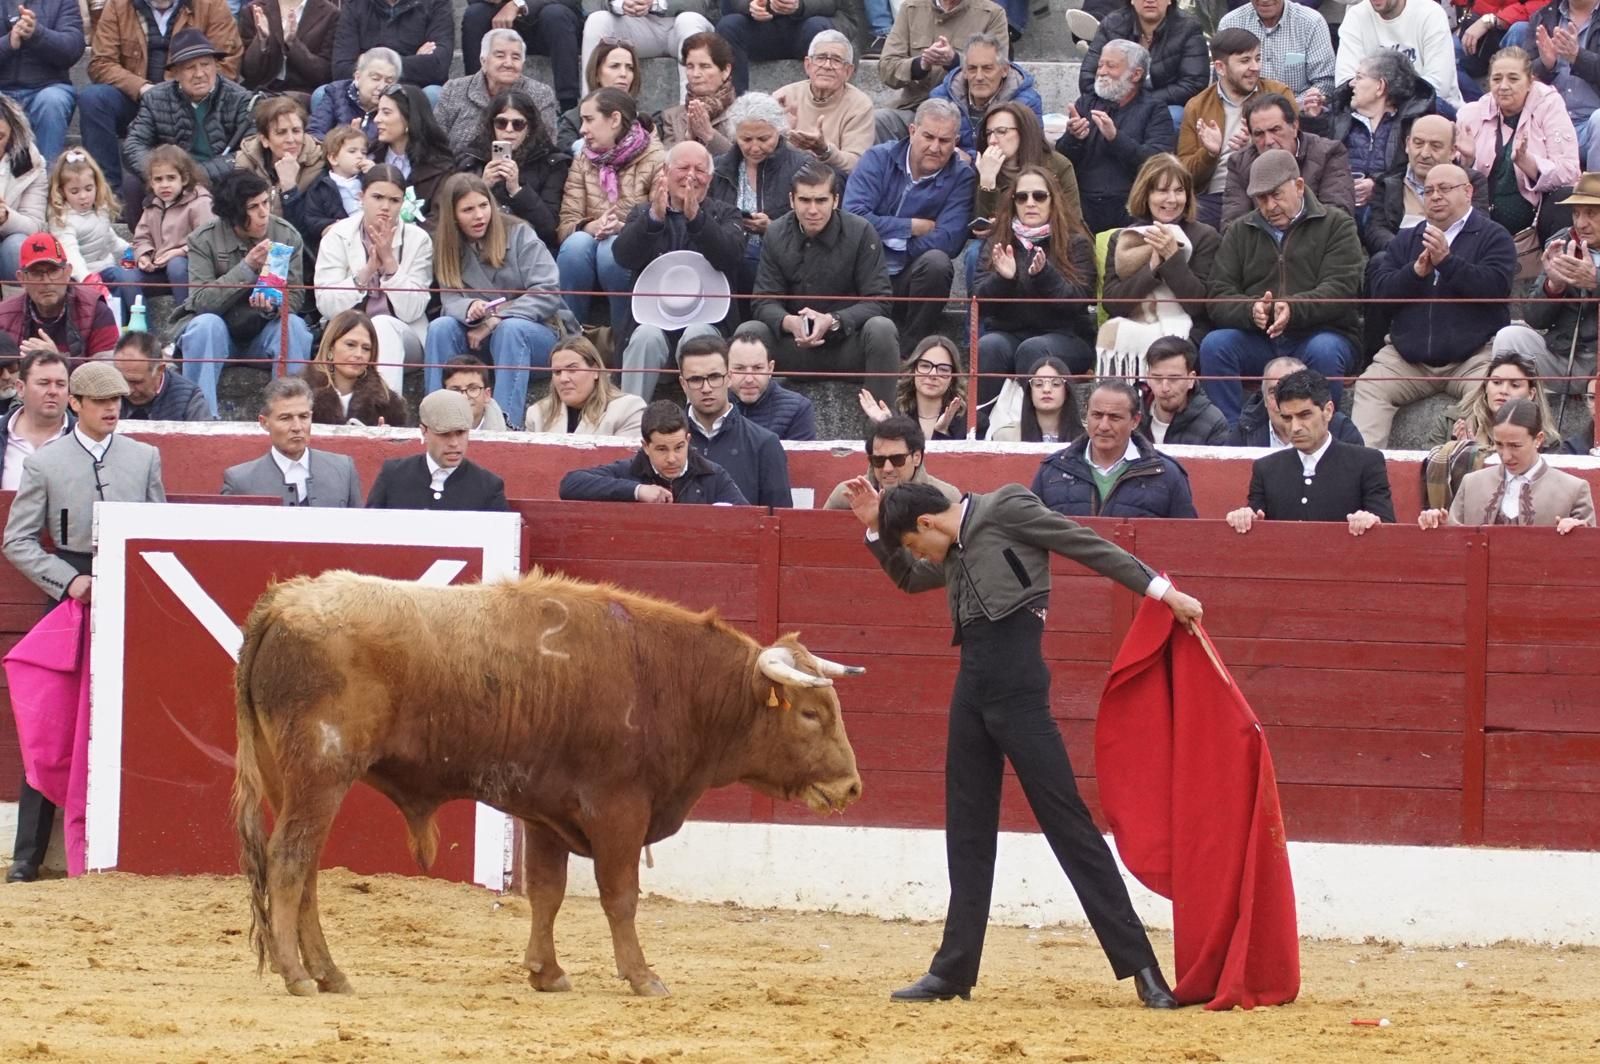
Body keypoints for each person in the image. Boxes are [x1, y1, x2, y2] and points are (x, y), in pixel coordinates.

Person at [843, 477, 1201, 1009]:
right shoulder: (949, 543)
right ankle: (954, 970)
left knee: (1069, 825)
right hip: (972, 689)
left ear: (928, 522)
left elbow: (1087, 544)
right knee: (966, 829)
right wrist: (875, 531)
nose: (920, 556)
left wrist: (1163, 592)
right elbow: (911, 581)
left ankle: (1143, 969)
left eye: (916, 543)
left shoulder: (1005, 507)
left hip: (1018, 691)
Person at [1, 361, 165, 884]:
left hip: (130, 594)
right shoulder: (47, 464)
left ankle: (139, 845)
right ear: (76, 404)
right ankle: (28, 856)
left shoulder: (144, 458)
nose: (112, 407)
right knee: (54, 726)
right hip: (72, 593)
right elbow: (17, 540)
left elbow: (158, 532)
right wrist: (68, 582)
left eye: (116, 399)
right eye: (99, 401)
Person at [1352, 163, 1519, 448]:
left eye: (1445, 189)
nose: (1435, 196)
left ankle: (1477, 478)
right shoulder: (1407, 239)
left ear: (1468, 192)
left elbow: (1496, 288)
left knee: (1494, 392)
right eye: (1428, 190)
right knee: (1369, 387)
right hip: (1407, 359)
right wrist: (1414, 274)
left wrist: (1448, 262)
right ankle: (1362, 476)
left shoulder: (1494, 236)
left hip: (1473, 358)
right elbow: (1379, 294)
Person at [1202, 150, 1366, 424]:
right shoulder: (1240, 231)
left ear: (1299, 186)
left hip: (1322, 335)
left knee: (1324, 351)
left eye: (1276, 194)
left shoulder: (1337, 225)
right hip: (1260, 339)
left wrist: (1292, 308)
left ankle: (1324, 432)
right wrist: (1251, 310)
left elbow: (1342, 288)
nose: (1269, 206)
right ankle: (1231, 434)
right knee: (1215, 346)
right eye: (1261, 198)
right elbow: (1218, 293)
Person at [751, 161, 901, 405]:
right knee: (749, 333)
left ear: (835, 200)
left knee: (882, 329)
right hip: (794, 346)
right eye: (805, 200)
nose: (812, 210)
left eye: (821, 200)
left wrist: (833, 321)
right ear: (791, 200)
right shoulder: (776, 233)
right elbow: (763, 300)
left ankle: (884, 429)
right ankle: (744, 429)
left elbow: (880, 300)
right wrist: (789, 323)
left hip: (846, 345)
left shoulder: (861, 231)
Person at [171, 170, 313, 413]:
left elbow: (297, 298)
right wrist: (246, 268)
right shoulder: (203, 239)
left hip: (264, 332)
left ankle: (292, 413)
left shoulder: (286, 235)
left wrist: (272, 306)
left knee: (294, 326)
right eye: (253, 207)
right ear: (234, 214)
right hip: (220, 332)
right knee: (204, 324)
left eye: (266, 202)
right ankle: (201, 420)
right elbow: (200, 301)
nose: (263, 213)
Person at [613, 140, 744, 398]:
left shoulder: (727, 214)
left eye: (700, 170)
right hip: (652, 317)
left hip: (709, 319)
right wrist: (653, 220)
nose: (691, 176)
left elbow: (729, 256)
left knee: (698, 335)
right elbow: (623, 256)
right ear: (665, 170)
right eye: (683, 167)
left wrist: (697, 219)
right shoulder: (643, 212)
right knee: (644, 337)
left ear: (711, 177)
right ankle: (629, 419)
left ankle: (702, 420)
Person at [427, 175, 562, 426]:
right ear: (454, 215)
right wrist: (469, 307)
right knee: (440, 327)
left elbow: (548, 290)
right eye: (468, 210)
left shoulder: (519, 233)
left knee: (509, 329)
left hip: (535, 336)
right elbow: (450, 298)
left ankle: (503, 425)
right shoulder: (448, 247)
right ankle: (436, 419)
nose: (479, 215)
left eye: (483, 205)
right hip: (479, 340)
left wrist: (496, 318)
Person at [845, 98, 975, 350]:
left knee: (937, 263)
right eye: (928, 136)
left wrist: (890, 244)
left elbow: (949, 240)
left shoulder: (961, 177)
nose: (935, 147)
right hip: (863, 270)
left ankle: (912, 349)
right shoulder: (877, 158)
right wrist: (911, 227)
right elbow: (853, 218)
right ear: (912, 131)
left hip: (909, 275)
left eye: (944, 140)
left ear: (956, 142)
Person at [975, 165, 1095, 418]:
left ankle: (1028, 428)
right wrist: (1003, 279)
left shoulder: (1076, 242)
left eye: (1039, 196)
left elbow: (1080, 300)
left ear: (1053, 201)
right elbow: (979, 304)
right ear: (1014, 202)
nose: (1030, 203)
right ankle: (981, 427)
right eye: (1022, 197)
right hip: (1009, 334)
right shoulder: (998, 241)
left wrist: (1044, 276)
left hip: (1067, 337)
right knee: (988, 346)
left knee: (1033, 350)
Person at [83, 0, 241, 189]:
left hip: (191, 98)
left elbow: (226, 62)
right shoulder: (118, 5)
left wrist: (179, 90)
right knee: (93, 99)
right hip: (136, 96)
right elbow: (100, 62)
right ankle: (110, 194)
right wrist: (142, 88)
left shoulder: (211, 5)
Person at [1226, 368, 1395, 534]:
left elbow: (1388, 529)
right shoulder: (1266, 469)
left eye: (1305, 415)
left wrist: (1372, 520)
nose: (1295, 427)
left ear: (1328, 411)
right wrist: (1245, 517)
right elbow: (1255, 522)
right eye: (1287, 418)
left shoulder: (1366, 462)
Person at [314, 165, 433, 393]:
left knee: (381, 325)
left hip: (405, 336)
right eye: (377, 197)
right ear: (361, 197)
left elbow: (412, 310)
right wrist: (366, 273)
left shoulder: (419, 240)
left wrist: (390, 266)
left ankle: (385, 412)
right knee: (359, 333)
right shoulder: (337, 235)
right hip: (347, 334)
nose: (385, 207)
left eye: (394, 200)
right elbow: (327, 305)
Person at [1098, 153, 1221, 374]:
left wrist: (1172, 259)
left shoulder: (1205, 236)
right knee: (1113, 330)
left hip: (1189, 328)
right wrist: (1152, 268)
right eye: (1162, 191)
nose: (1172, 199)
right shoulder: (1125, 238)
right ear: (1146, 194)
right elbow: (1113, 304)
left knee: (1174, 348)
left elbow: (1199, 306)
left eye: (1179, 190)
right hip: (1135, 323)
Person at [1299, 50, 1443, 234]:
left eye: (1359, 77)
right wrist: (1313, 120)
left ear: (1380, 86)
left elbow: (1412, 169)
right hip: (1340, 208)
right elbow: (1316, 160)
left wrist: (1377, 184)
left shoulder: (1411, 122)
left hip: (1389, 214)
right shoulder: (1338, 116)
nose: (1351, 83)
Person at [556, 87, 666, 329]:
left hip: (635, 249)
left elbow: (661, 224)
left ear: (614, 119)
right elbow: (565, 224)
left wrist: (621, 228)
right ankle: (572, 339)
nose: (582, 129)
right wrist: (589, 225)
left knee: (611, 250)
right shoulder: (584, 158)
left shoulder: (656, 158)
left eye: (588, 119)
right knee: (575, 245)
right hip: (588, 247)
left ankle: (622, 337)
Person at [120, 29, 255, 225]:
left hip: (220, 178)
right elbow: (133, 144)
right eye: (190, 67)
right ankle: (145, 246)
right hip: (171, 177)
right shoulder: (155, 98)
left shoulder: (240, 98)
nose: (200, 74)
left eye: (206, 65)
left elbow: (250, 149)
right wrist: (163, 174)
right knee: (132, 184)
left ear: (216, 66)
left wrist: (195, 176)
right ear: (175, 73)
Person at [1456, 46, 1581, 242]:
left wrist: (1529, 164)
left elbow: (1570, 172)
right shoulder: (1471, 113)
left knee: (1564, 197)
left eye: (1513, 79)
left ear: (1530, 81)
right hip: (1481, 217)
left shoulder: (1549, 106)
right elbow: (1451, 179)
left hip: (1536, 223)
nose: (1503, 86)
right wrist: (1468, 161)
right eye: (1497, 79)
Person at [1058, 39, 1178, 235]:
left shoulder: (1154, 108)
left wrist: (1116, 138)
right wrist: (1074, 138)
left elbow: (1158, 164)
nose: (1102, 71)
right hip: (1083, 204)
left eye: (1111, 66)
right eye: (1100, 65)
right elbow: (1063, 161)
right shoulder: (1087, 103)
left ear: (1136, 74)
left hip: (1130, 206)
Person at [1176, 29, 1294, 229]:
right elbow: (1184, 175)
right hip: (1217, 195)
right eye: (1245, 61)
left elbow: (1298, 146)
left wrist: (1255, 146)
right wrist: (1210, 153)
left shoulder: (1278, 94)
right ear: (1220, 67)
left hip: (1270, 187)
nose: (1255, 67)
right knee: (1190, 227)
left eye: (1258, 58)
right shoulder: (1197, 106)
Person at [1494, 174, 1600, 395]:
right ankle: (1513, 424)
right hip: (1564, 355)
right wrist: (1553, 287)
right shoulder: (1562, 242)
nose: (1581, 223)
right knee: (1509, 337)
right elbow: (1534, 318)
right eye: (1576, 213)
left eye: (1591, 214)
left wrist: (1595, 282)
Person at [1032, 378, 1198, 518]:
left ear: (1135, 421)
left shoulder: (1167, 475)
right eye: (1097, 415)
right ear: (1086, 415)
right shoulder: (1052, 470)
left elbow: (1186, 541)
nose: (1104, 426)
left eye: (1114, 417)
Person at [1418, 398, 1595, 529]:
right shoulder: (1471, 483)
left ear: (1538, 439)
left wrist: (1578, 531)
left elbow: (1588, 558)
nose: (1506, 455)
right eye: (1499, 444)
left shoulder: (1574, 490)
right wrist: (1438, 525)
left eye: (1515, 446)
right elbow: (1453, 544)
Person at [708, 93, 807, 297]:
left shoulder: (800, 167)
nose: (754, 147)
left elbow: (814, 222)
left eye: (764, 139)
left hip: (782, 262)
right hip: (726, 260)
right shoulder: (718, 168)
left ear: (779, 132)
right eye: (746, 139)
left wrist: (772, 227)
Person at [558, 397, 747, 503]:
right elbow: (570, 484)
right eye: (662, 449)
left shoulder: (713, 475)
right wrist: (637, 490)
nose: (672, 458)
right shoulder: (629, 472)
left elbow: (747, 518)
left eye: (679, 447)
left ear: (688, 440)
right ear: (646, 447)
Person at [678, 334, 792, 507]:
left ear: (729, 377)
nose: (706, 388)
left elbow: (779, 519)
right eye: (695, 379)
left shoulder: (764, 443)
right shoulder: (665, 439)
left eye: (715, 377)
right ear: (683, 383)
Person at [874, 0, 1008, 143]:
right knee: (877, 121)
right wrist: (921, 64)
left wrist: (955, 61)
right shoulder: (911, 8)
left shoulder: (992, 13)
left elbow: (998, 68)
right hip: (915, 108)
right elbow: (886, 68)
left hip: (965, 114)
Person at [220, 375, 363, 505]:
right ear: (264, 423)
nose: (297, 427)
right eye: (285, 418)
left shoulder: (344, 469)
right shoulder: (240, 481)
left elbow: (358, 528)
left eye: (303, 417)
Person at [1221, 92, 1356, 230]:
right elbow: (1232, 227)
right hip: (1262, 246)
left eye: (1275, 130)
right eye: (1259, 134)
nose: (1268, 141)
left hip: (1317, 245)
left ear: (1294, 126)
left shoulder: (1328, 153)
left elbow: (1338, 218)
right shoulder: (1239, 163)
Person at [432, 28, 559, 169]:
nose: (508, 63)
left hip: (523, 177)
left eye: (516, 57)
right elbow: (435, 145)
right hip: (460, 176)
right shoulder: (454, 90)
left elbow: (546, 147)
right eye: (500, 56)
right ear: (483, 61)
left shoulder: (540, 94)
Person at [463, 89, 571, 255]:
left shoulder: (552, 163)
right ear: (491, 125)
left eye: (518, 124)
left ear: (529, 128)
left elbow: (550, 229)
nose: (509, 130)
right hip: (480, 248)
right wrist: (482, 187)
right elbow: (454, 217)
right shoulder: (471, 159)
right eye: (501, 123)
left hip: (530, 249)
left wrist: (517, 191)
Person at [1365, 113, 1492, 254]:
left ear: (1452, 151)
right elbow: (1376, 231)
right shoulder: (1387, 183)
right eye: (1418, 143)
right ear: (1407, 145)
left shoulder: (1471, 182)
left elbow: (1478, 230)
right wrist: (1405, 252)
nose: (1425, 154)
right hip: (1400, 262)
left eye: (1435, 146)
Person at [366, 389, 511, 511]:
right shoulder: (394, 476)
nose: (454, 443)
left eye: (461, 433)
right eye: (444, 434)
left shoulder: (488, 486)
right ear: (424, 431)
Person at [105, 146, 212, 310]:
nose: (164, 185)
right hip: (159, 269)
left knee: (176, 265)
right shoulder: (153, 205)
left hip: (188, 271)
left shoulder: (200, 203)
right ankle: (141, 330)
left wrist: (179, 252)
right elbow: (141, 238)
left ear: (184, 179)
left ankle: (185, 315)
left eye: (171, 178)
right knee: (125, 275)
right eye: (158, 179)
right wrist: (144, 256)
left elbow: (207, 239)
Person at [1079, 0, 1209, 123]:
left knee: (1173, 116)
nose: (1150, 1)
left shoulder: (1188, 27)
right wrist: (1115, 102)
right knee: (1087, 113)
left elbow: (1193, 84)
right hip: (1115, 102)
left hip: (1163, 104)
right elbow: (1087, 77)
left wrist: (1139, 102)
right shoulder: (1112, 24)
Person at [0, 234, 120, 361]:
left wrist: (57, 360)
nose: (46, 281)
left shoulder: (96, 310)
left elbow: (107, 374)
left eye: (53, 271)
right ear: (21, 279)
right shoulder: (4, 315)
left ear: (68, 272)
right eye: (36, 273)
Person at [773, 30, 874, 175]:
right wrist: (782, 135)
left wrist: (824, 151)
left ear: (849, 71)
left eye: (836, 60)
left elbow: (857, 164)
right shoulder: (783, 97)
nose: (827, 66)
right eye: (820, 58)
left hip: (834, 181)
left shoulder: (860, 105)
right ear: (808, 65)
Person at [973, 103, 1084, 234]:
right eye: (988, 133)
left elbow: (1073, 221)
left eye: (1001, 131)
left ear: (1024, 132)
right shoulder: (984, 166)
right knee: (975, 251)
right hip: (1002, 242)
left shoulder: (1058, 165)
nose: (992, 140)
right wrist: (987, 183)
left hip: (1051, 239)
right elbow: (982, 230)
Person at [461, 0, 583, 113]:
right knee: (475, 14)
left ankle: (568, 108)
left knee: (555, 14)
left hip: (548, 24)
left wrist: (518, 4)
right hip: (504, 21)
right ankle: (476, 103)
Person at [1335, 0, 1463, 108]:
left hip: (1430, 110)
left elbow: (1439, 85)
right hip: (1370, 112)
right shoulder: (1356, 15)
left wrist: (1382, 99)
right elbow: (1345, 81)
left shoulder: (1430, 13)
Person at [928, 32, 1040, 155]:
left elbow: (1029, 152)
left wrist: (970, 159)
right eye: (972, 68)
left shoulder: (1026, 103)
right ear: (964, 71)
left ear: (1004, 70)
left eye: (987, 68)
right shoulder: (941, 98)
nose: (979, 77)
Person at [0, 0, 82, 164]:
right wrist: (8, 43)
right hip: (2, 90)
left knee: (52, 101)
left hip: (48, 87)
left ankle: (48, 180)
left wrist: (37, 33)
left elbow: (72, 49)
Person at [577, 0, 715, 97]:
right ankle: (591, 111)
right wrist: (619, 4)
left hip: (680, 23)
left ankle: (690, 117)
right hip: (633, 24)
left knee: (689, 20)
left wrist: (656, 3)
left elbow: (702, 4)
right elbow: (590, 4)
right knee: (597, 20)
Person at [822, 413, 959, 509]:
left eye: (897, 459)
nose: (887, 468)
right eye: (878, 460)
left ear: (916, 457)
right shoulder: (847, 494)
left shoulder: (947, 497)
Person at [1522, 1, 1600, 169]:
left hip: (1591, 126)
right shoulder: (1543, 16)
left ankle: (1594, 193)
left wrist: (1578, 57)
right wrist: (1545, 64)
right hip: (1550, 124)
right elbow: (1522, 72)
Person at [716, 0, 850, 95]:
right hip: (761, 29)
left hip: (805, 27)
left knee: (817, 28)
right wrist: (751, 5)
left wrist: (800, 5)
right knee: (729, 26)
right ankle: (736, 105)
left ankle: (817, 103)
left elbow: (834, 4)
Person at [1229, 355, 1366, 448]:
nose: (1281, 402)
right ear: (1264, 399)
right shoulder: (1246, 430)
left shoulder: (1341, 429)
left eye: (1292, 391)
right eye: (1273, 392)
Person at [303, 309, 409, 427]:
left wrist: (386, 439)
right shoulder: (301, 395)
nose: (359, 354)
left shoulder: (389, 404)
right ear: (330, 348)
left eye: (366, 348)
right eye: (350, 345)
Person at [524, 335, 647, 433]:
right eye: (557, 372)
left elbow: (627, 462)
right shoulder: (537, 414)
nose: (563, 379)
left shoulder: (628, 409)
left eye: (572, 369)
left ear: (595, 371)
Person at [1217, 0, 1335, 100]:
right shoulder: (1230, 23)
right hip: (1242, 114)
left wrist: (1289, 108)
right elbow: (1224, 81)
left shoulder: (1311, 22)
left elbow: (1325, 82)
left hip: (1298, 115)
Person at [860, 335, 968, 441]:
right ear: (913, 370)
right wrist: (887, 426)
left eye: (943, 369)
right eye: (925, 366)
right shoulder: (894, 417)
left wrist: (942, 432)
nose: (932, 374)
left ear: (953, 377)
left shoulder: (971, 422)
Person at [234, 96, 326, 220]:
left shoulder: (318, 164)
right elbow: (239, 214)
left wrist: (289, 188)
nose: (291, 139)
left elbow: (306, 228)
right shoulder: (246, 161)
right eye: (281, 132)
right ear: (265, 140)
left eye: (296, 131)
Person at [46, 150, 129, 285]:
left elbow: (111, 241)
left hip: (107, 268)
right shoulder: (62, 220)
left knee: (128, 278)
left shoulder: (100, 211)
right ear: (62, 191)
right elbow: (71, 254)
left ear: (97, 185)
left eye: (88, 189)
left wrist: (134, 252)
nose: (83, 196)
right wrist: (86, 278)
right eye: (74, 191)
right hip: (82, 277)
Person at [331, 0, 454, 90]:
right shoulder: (355, 5)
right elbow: (341, 69)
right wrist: (415, 59)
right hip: (365, 89)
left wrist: (368, 61)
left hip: (415, 90)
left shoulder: (437, 3)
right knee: (322, 94)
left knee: (434, 93)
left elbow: (438, 66)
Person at [370, 83, 453, 217]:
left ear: (409, 119)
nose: (376, 119)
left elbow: (439, 220)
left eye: (386, 112)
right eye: (377, 112)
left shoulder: (439, 168)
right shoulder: (368, 156)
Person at [287, 125, 366, 258]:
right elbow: (312, 219)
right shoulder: (321, 186)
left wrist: (374, 174)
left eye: (363, 152)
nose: (360, 156)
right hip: (340, 245)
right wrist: (331, 225)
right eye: (352, 151)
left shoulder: (367, 179)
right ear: (333, 158)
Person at [0, 350, 71, 491]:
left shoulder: (83, 436)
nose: (53, 391)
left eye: (61, 384)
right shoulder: (3, 434)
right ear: (20, 388)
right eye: (44, 383)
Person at [557, 36, 644, 153]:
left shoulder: (644, 120)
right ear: (596, 73)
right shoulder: (573, 120)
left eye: (630, 68)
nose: (624, 74)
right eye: (615, 66)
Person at [728, 327, 816, 440]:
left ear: (770, 369)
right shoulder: (711, 404)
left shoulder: (798, 409)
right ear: (725, 369)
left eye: (758, 368)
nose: (749, 379)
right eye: (739, 368)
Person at [237, 0, 338, 96]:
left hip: (303, 93)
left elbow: (323, 75)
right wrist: (261, 40)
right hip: (260, 91)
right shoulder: (254, 9)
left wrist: (292, 44)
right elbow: (248, 72)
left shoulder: (330, 13)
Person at [1139, 336, 1227, 446]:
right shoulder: (1132, 416)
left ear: (1191, 380)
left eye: (1174, 378)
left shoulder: (1213, 422)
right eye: (1157, 378)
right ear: (1147, 378)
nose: (1164, 388)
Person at [658, 31, 737, 154]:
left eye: (705, 66)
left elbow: (745, 163)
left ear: (726, 70)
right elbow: (668, 165)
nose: (695, 74)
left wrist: (710, 135)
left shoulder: (743, 113)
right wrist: (689, 137)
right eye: (690, 66)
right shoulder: (672, 117)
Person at [110, 330, 213, 421]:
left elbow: (207, 442)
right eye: (122, 380)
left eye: (136, 382)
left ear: (160, 370)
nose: (128, 390)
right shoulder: (105, 392)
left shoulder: (189, 400)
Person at [0, 92, 48, 282]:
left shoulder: (30, 163)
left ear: (13, 134)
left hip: (6, 244)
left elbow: (36, 226)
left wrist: (6, 218)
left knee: (18, 245)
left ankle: (16, 309)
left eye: (0, 137)